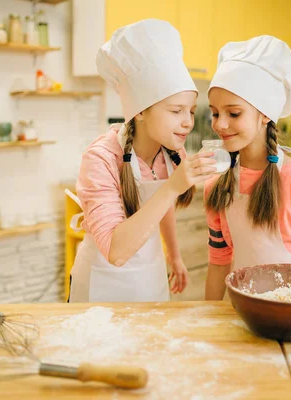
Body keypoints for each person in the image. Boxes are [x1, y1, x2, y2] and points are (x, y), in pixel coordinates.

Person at [68, 19, 216, 303]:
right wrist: (173, 186)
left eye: (191, 111)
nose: (187, 123)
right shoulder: (100, 159)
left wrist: (174, 255)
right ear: (140, 112)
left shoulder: (172, 153)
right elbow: (115, 251)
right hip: (101, 287)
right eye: (176, 111)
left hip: (150, 281)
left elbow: (162, 208)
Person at [203, 35, 291, 301]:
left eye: (234, 113)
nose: (219, 125)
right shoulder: (217, 188)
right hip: (238, 315)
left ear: (265, 114)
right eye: (215, 113)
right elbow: (218, 264)